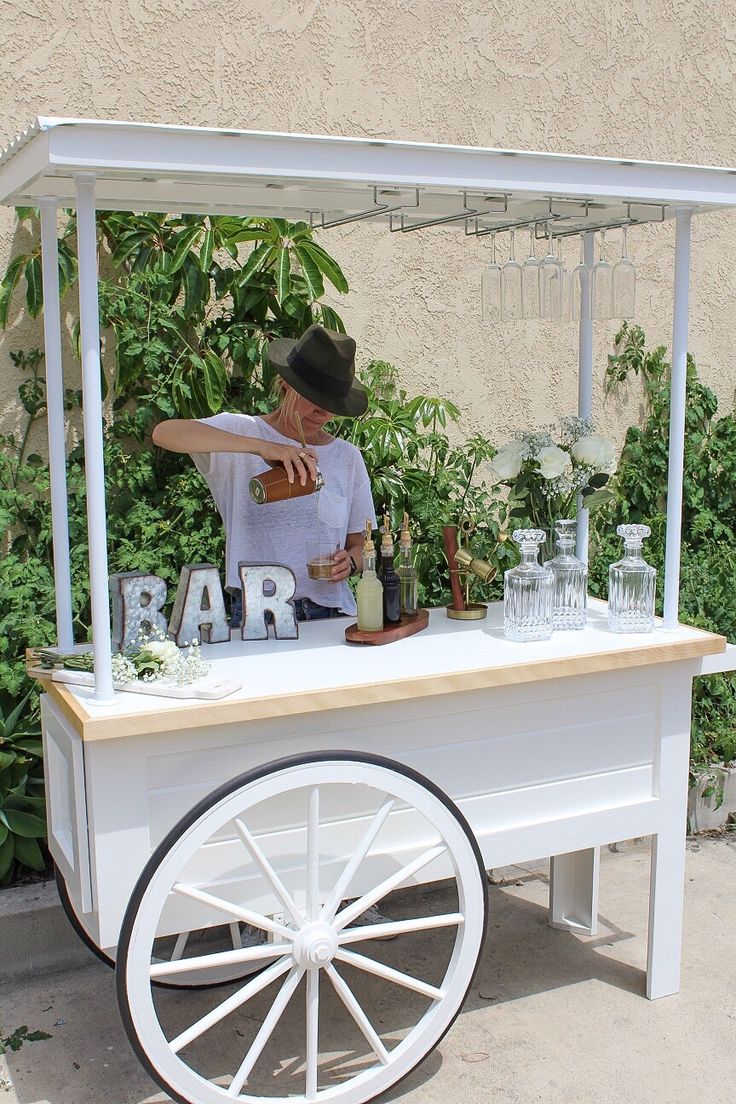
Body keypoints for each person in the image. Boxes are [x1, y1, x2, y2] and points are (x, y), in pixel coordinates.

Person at [152, 324, 376, 626]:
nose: (322, 413)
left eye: (332, 405)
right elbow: (165, 433)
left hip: (330, 614)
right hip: (257, 616)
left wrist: (350, 562)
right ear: (287, 384)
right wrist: (262, 448)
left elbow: (362, 543)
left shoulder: (347, 457)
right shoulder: (241, 432)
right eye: (314, 398)